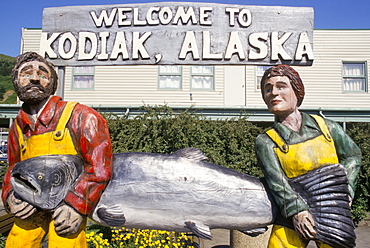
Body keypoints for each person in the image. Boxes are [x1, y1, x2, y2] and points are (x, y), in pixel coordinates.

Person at [1, 52, 113, 247]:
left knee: (65, 242)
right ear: (16, 81)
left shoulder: (80, 116)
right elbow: (13, 168)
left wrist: (77, 204)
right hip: (30, 204)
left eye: (43, 74)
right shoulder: (17, 128)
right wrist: (10, 195)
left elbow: (99, 167)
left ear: (52, 83)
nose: (35, 78)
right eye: (26, 73)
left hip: (67, 204)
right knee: (17, 243)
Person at [255, 65, 361, 248]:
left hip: (332, 209)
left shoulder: (328, 127)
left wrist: (346, 191)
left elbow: (353, 156)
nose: (273, 93)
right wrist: (298, 212)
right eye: (267, 88)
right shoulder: (266, 141)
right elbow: (277, 183)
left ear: (297, 90)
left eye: (281, 86)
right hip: (292, 214)